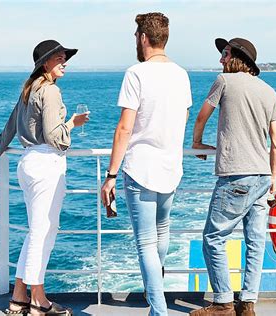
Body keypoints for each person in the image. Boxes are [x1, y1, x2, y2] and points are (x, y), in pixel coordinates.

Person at [0, 39, 89, 316]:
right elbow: (56, 138)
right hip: (46, 164)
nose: (64, 61)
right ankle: (38, 301)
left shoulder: (30, 88)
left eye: (64, 57)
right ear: (46, 63)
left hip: (28, 162)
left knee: (36, 233)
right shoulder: (51, 91)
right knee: (43, 233)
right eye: (59, 58)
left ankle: (19, 297)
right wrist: (73, 123)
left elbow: (12, 121)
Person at [100, 12, 192, 316]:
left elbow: (125, 128)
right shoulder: (182, 74)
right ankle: (157, 299)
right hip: (171, 169)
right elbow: (183, 117)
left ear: (143, 38)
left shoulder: (136, 73)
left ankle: (158, 309)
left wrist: (110, 175)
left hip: (141, 169)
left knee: (145, 244)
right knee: (161, 233)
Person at [189, 38, 276, 316]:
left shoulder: (224, 82)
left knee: (213, 238)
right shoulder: (268, 91)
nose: (221, 60)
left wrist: (197, 143)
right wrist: (273, 178)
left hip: (236, 176)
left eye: (224, 54)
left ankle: (223, 303)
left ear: (236, 57)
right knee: (255, 241)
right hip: (262, 176)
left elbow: (201, 117)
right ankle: (248, 304)